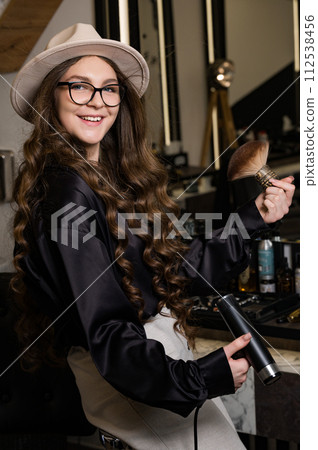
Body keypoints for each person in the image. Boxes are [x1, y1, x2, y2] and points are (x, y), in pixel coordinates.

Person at [10, 23, 295, 450]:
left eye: (110, 89)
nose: (98, 102)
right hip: (130, 375)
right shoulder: (64, 194)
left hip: (152, 360)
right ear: (51, 96)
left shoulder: (107, 180)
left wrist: (253, 217)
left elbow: (178, 262)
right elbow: (106, 328)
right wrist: (197, 377)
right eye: (79, 88)